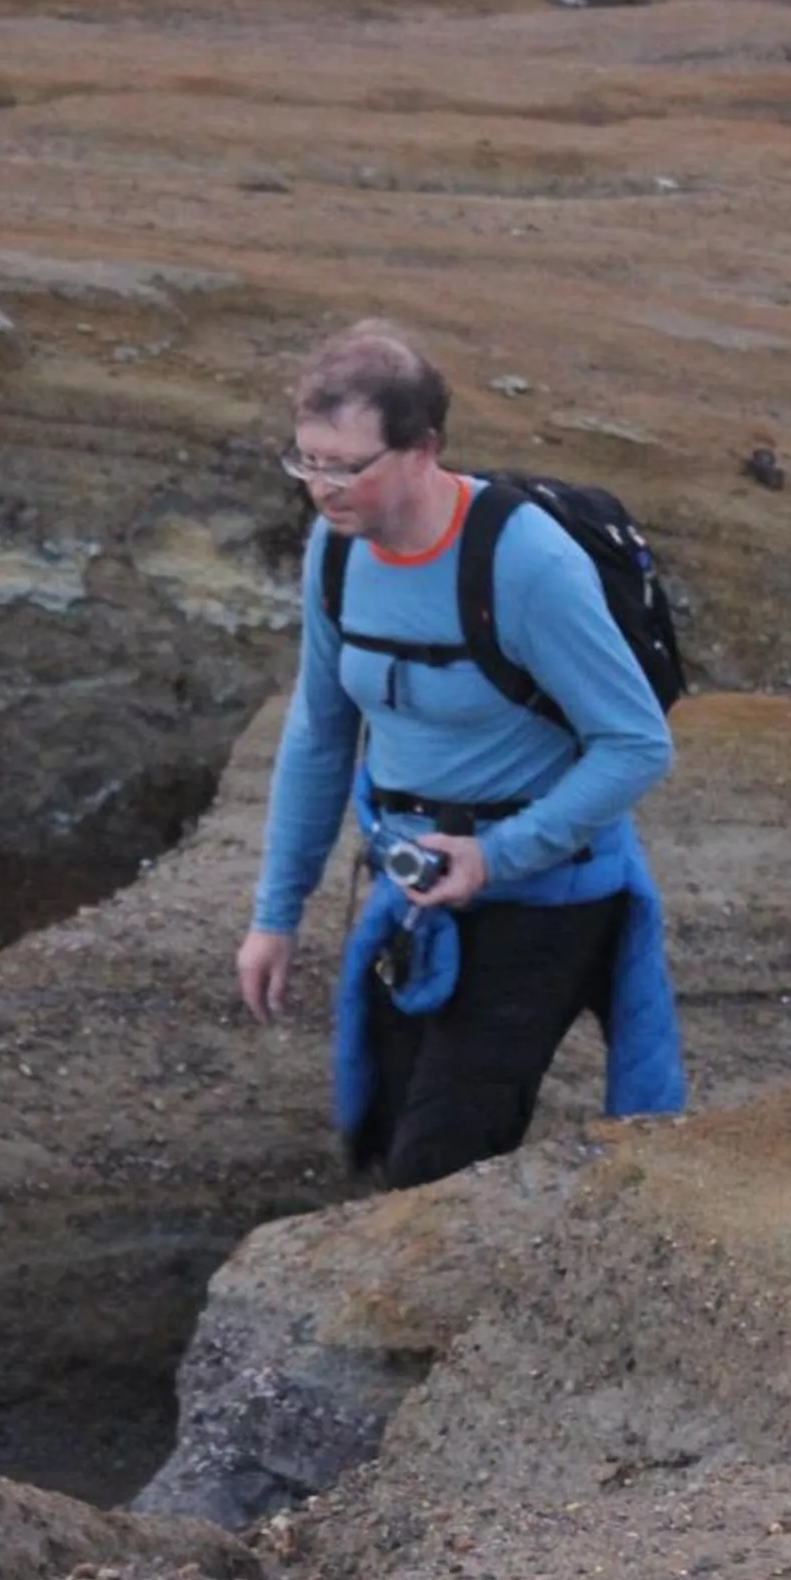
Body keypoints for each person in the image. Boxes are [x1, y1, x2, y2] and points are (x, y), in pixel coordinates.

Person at [235, 320, 685, 1187]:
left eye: (346, 466)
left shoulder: (527, 564)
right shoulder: (334, 552)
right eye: (306, 462)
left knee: (437, 1166)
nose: (322, 489)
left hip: (547, 898)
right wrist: (274, 916)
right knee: (384, 1143)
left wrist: (496, 856)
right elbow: (321, 732)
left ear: (423, 449)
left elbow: (635, 745)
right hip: (416, 890)